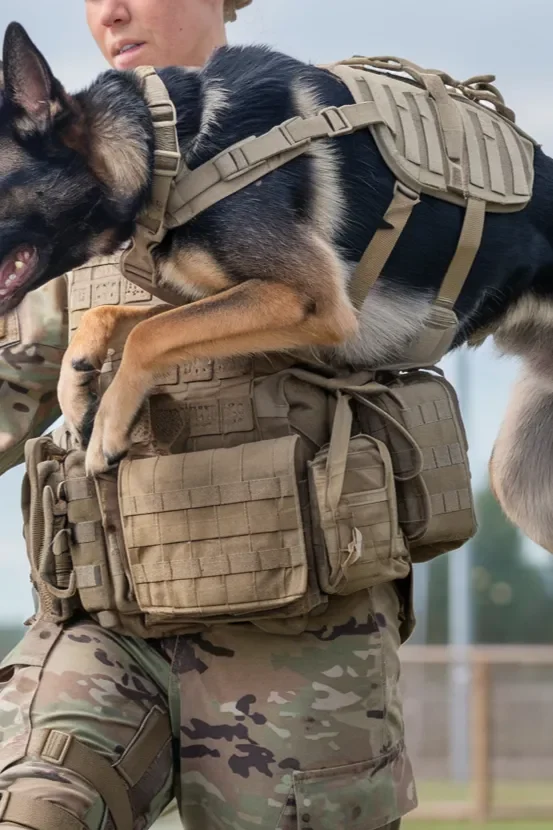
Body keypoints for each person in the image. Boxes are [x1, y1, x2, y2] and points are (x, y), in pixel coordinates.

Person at [0, 1, 417, 828]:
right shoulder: (59, 219)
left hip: (298, 649)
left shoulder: (343, 153)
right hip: (106, 631)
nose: (112, 11)